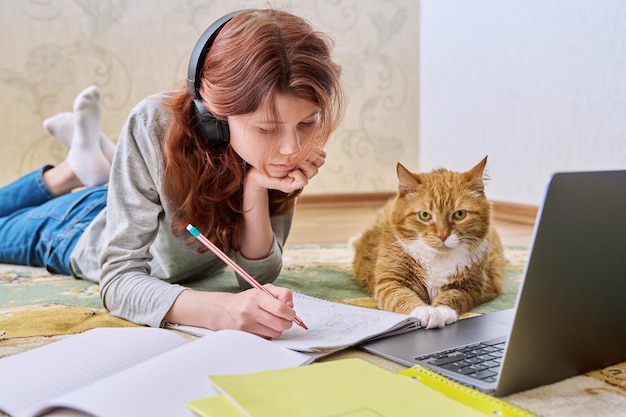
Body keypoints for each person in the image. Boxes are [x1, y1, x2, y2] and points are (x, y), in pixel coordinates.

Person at [0, 9, 343, 339]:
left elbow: (255, 277)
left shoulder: (283, 149)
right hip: (76, 230)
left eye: (307, 123)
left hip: (128, 206)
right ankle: (70, 173)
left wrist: (255, 188)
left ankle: (83, 166)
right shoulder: (153, 123)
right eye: (266, 129)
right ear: (215, 117)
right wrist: (220, 311)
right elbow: (119, 280)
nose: (290, 148)